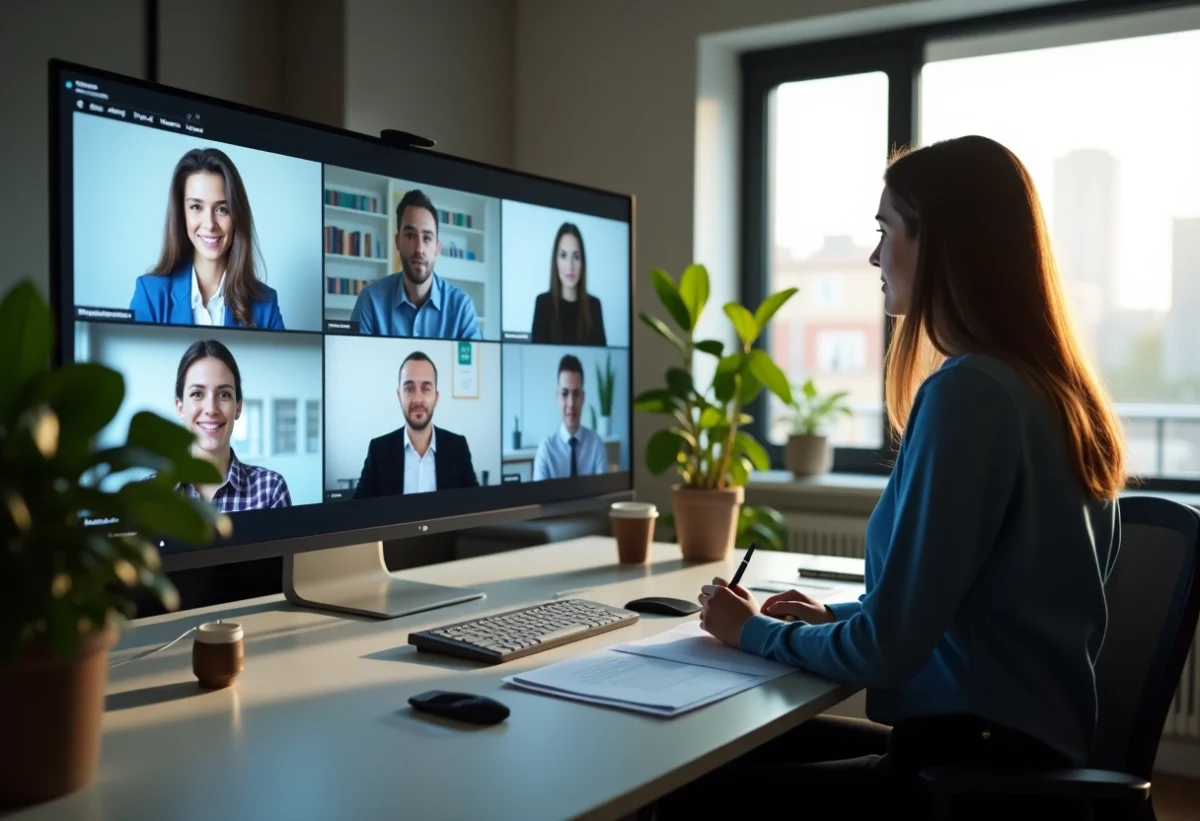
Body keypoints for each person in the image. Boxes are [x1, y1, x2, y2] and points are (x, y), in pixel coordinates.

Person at [661, 136, 1127, 821]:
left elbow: (887, 652)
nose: (875, 257)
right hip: (1020, 756)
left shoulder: (970, 394)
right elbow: (969, 611)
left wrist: (747, 631)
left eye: (886, 230)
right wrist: (833, 615)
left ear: (939, 243)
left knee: (686, 789)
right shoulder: (1051, 392)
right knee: (719, 753)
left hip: (966, 776)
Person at [130, 148, 284, 329]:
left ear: (237, 217)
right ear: (182, 214)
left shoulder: (265, 302)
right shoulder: (150, 293)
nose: (210, 224)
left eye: (222, 209)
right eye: (196, 207)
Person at [168, 339, 291, 510]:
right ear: (180, 407)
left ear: (238, 407)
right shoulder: (151, 493)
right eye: (197, 394)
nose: (211, 409)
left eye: (224, 394)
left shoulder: (271, 490)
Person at [350, 189, 481, 340]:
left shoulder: (461, 307)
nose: (419, 249)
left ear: (437, 248)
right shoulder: (370, 300)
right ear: (397, 241)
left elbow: (474, 363)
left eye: (427, 238)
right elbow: (356, 362)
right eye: (410, 236)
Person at [353, 351, 480, 497]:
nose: (418, 399)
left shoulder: (458, 447)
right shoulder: (378, 451)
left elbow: (473, 506)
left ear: (436, 397)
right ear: (399, 396)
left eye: (426, 389)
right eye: (409, 389)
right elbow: (359, 511)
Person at [532, 354, 608, 481]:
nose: (571, 403)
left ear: (583, 398)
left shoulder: (596, 445)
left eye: (576, 394)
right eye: (565, 393)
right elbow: (538, 500)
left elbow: (604, 497)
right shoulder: (545, 449)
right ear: (557, 397)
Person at [529, 223, 606, 345]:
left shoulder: (594, 306)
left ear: (582, 262)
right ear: (556, 261)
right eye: (563, 255)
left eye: (576, 257)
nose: (570, 266)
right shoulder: (542, 303)